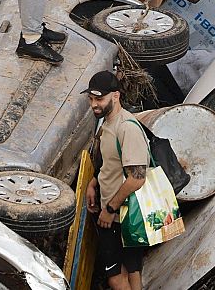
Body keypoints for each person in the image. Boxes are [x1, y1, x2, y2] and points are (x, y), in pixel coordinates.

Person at [85, 70, 149, 290]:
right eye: (91, 99)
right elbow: (110, 162)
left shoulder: (126, 128)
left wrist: (109, 209)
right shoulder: (107, 123)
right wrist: (94, 182)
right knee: (131, 271)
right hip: (115, 212)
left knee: (115, 276)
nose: (94, 104)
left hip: (122, 215)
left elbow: (137, 178)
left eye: (99, 99)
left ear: (115, 96)